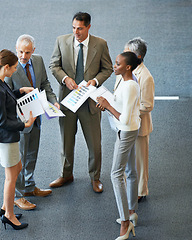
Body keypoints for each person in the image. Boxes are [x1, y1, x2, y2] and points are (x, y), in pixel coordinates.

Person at [49, 12, 113, 193]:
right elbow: (54, 65)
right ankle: (66, 174)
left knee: (95, 144)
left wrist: (95, 81)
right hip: (68, 101)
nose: (76, 32)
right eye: (74, 28)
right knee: (66, 142)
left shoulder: (100, 44)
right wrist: (65, 79)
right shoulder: (62, 41)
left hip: (89, 103)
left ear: (88, 27)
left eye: (80, 28)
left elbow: (107, 68)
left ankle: (95, 178)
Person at [5, 34, 60, 210]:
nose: (23, 56)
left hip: (37, 118)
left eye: (27, 52)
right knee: (19, 158)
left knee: (31, 154)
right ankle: (19, 195)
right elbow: (6, 94)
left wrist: (53, 101)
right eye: (20, 51)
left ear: (33, 51)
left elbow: (45, 84)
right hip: (20, 122)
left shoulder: (38, 61)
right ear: (16, 49)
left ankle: (29, 187)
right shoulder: (11, 68)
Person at [0, 49, 36, 230]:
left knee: (18, 168)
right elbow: (2, 123)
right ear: (6, 67)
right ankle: (9, 215)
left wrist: (20, 90)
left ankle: (4, 207)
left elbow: (7, 95)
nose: (15, 70)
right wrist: (25, 124)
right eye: (14, 68)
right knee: (11, 177)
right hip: (6, 138)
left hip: (1, 135)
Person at [96, 52, 141, 239]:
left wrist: (107, 105)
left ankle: (125, 222)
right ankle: (131, 212)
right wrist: (107, 102)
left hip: (127, 131)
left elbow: (123, 117)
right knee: (130, 171)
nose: (114, 66)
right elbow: (122, 106)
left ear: (128, 67)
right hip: (129, 129)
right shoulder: (126, 80)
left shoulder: (130, 86)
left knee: (116, 174)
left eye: (117, 64)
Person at [115, 37, 155, 201]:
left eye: (127, 52)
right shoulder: (124, 70)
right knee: (128, 162)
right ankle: (130, 188)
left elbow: (147, 105)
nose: (122, 55)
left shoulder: (145, 77)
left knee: (139, 161)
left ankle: (140, 192)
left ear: (137, 58)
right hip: (123, 123)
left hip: (138, 127)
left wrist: (127, 110)